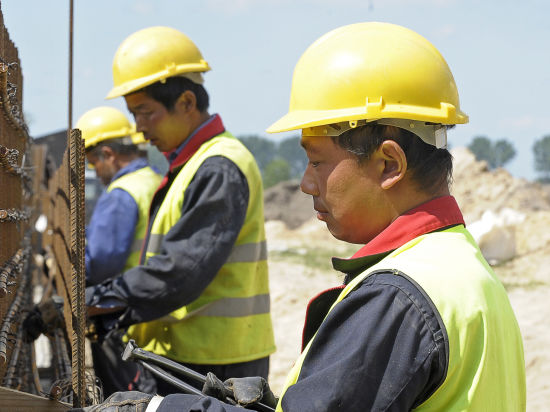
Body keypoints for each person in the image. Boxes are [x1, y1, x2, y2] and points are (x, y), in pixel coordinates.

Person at [76, 22, 526, 412]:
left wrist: (158, 408)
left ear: (388, 164)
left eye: (317, 162)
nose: (307, 184)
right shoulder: (463, 269)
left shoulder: (396, 298)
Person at [85, 26, 275, 396]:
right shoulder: (190, 165)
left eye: (145, 112)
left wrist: (96, 301)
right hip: (191, 356)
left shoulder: (219, 166)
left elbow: (181, 270)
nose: (138, 129)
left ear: (187, 102)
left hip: (216, 365)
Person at [77, 106, 162, 395]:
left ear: (109, 154)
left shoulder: (122, 193)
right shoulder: (154, 181)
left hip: (119, 318)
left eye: (93, 163)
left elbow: (100, 262)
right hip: (150, 315)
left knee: (122, 398)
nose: (96, 172)